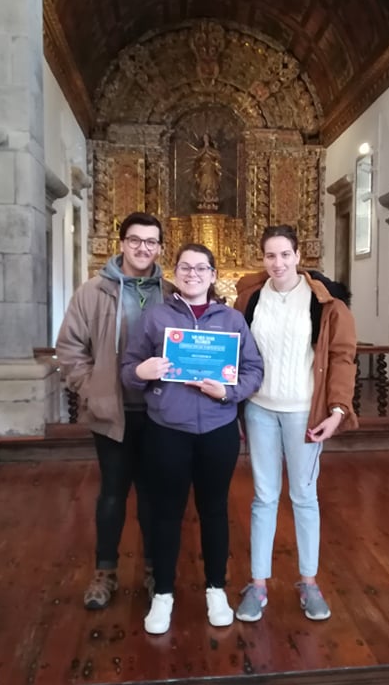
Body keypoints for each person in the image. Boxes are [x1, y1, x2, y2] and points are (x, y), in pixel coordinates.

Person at [122, 243, 264, 635]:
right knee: (166, 513)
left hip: (218, 431)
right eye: (185, 267)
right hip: (167, 430)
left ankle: (216, 589)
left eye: (201, 268)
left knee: (214, 510)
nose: (193, 274)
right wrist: (142, 372)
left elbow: (253, 369)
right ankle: (163, 593)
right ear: (175, 273)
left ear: (213, 275)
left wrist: (229, 392)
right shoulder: (156, 317)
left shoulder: (232, 320)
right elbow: (128, 368)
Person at [232, 224, 358, 623]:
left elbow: (342, 357)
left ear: (299, 255)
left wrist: (337, 410)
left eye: (285, 254)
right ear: (262, 257)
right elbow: (235, 350)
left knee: (304, 496)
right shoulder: (250, 299)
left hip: (304, 411)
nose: (278, 263)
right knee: (264, 497)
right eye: (270, 255)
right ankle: (258, 584)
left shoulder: (324, 302)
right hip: (260, 409)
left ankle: (309, 581)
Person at [56, 212, 172, 610]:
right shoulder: (92, 292)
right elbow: (70, 348)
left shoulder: (171, 292)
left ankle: (155, 568)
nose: (143, 248)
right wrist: (93, 390)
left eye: (151, 242)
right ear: (122, 243)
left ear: (160, 248)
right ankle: (105, 571)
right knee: (112, 494)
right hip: (113, 411)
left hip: (158, 413)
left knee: (153, 496)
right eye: (135, 240)